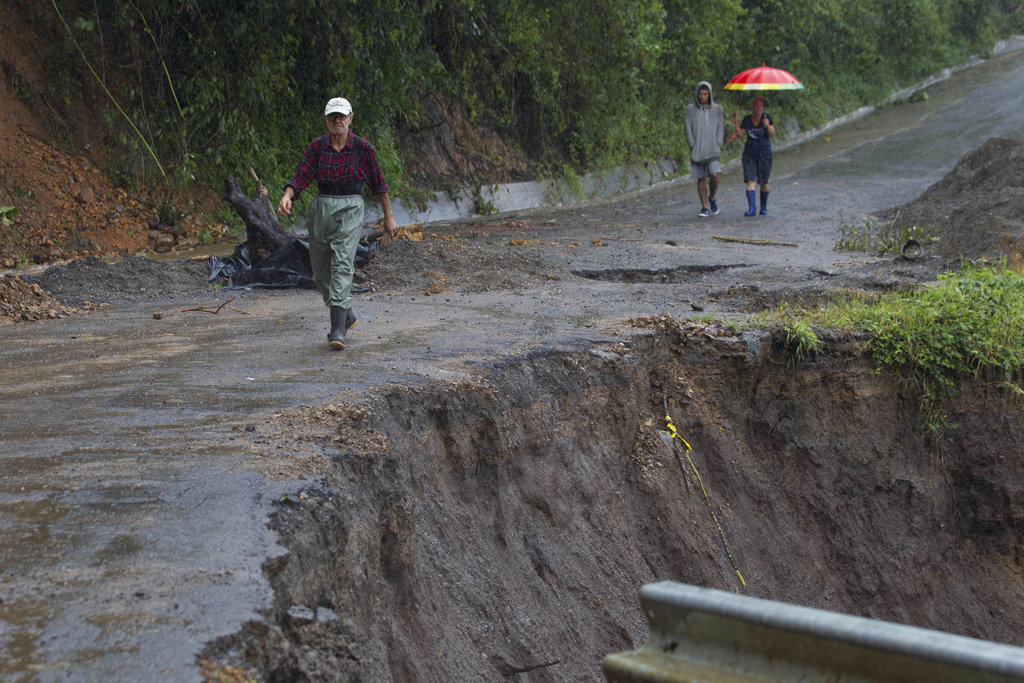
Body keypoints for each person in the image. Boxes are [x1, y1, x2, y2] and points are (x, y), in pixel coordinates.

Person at [277, 97, 398, 350]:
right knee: (320, 275)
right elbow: (300, 176)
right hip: (322, 206)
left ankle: (337, 330)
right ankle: (348, 314)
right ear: (326, 120)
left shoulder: (363, 148)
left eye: (342, 116)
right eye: (333, 116)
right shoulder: (317, 147)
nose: (337, 120)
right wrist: (287, 196)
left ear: (350, 118)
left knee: (343, 262)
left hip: (351, 206)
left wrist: (388, 217)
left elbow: (379, 184)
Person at [684, 81, 725, 217]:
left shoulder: (717, 109)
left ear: (709, 94)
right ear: (697, 94)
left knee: (714, 175)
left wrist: (718, 143)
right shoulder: (690, 109)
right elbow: (687, 128)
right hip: (698, 150)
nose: (703, 97)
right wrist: (692, 144)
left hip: (712, 149)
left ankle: (712, 197)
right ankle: (704, 207)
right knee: (700, 178)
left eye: (705, 94)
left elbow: (720, 127)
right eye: (701, 94)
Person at [734, 95, 775, 216]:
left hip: (764, 154)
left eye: (760, 106)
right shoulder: (747, 119)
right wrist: (735, 121)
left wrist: (767, 125)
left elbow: (772, 134)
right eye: (755, 105)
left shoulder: (767, 118)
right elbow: (741, 134)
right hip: (749, 154)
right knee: (750, 181)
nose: (757, 108)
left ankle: (763, 206)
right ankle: (751, 208)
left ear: (763, 107)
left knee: (764, 183)